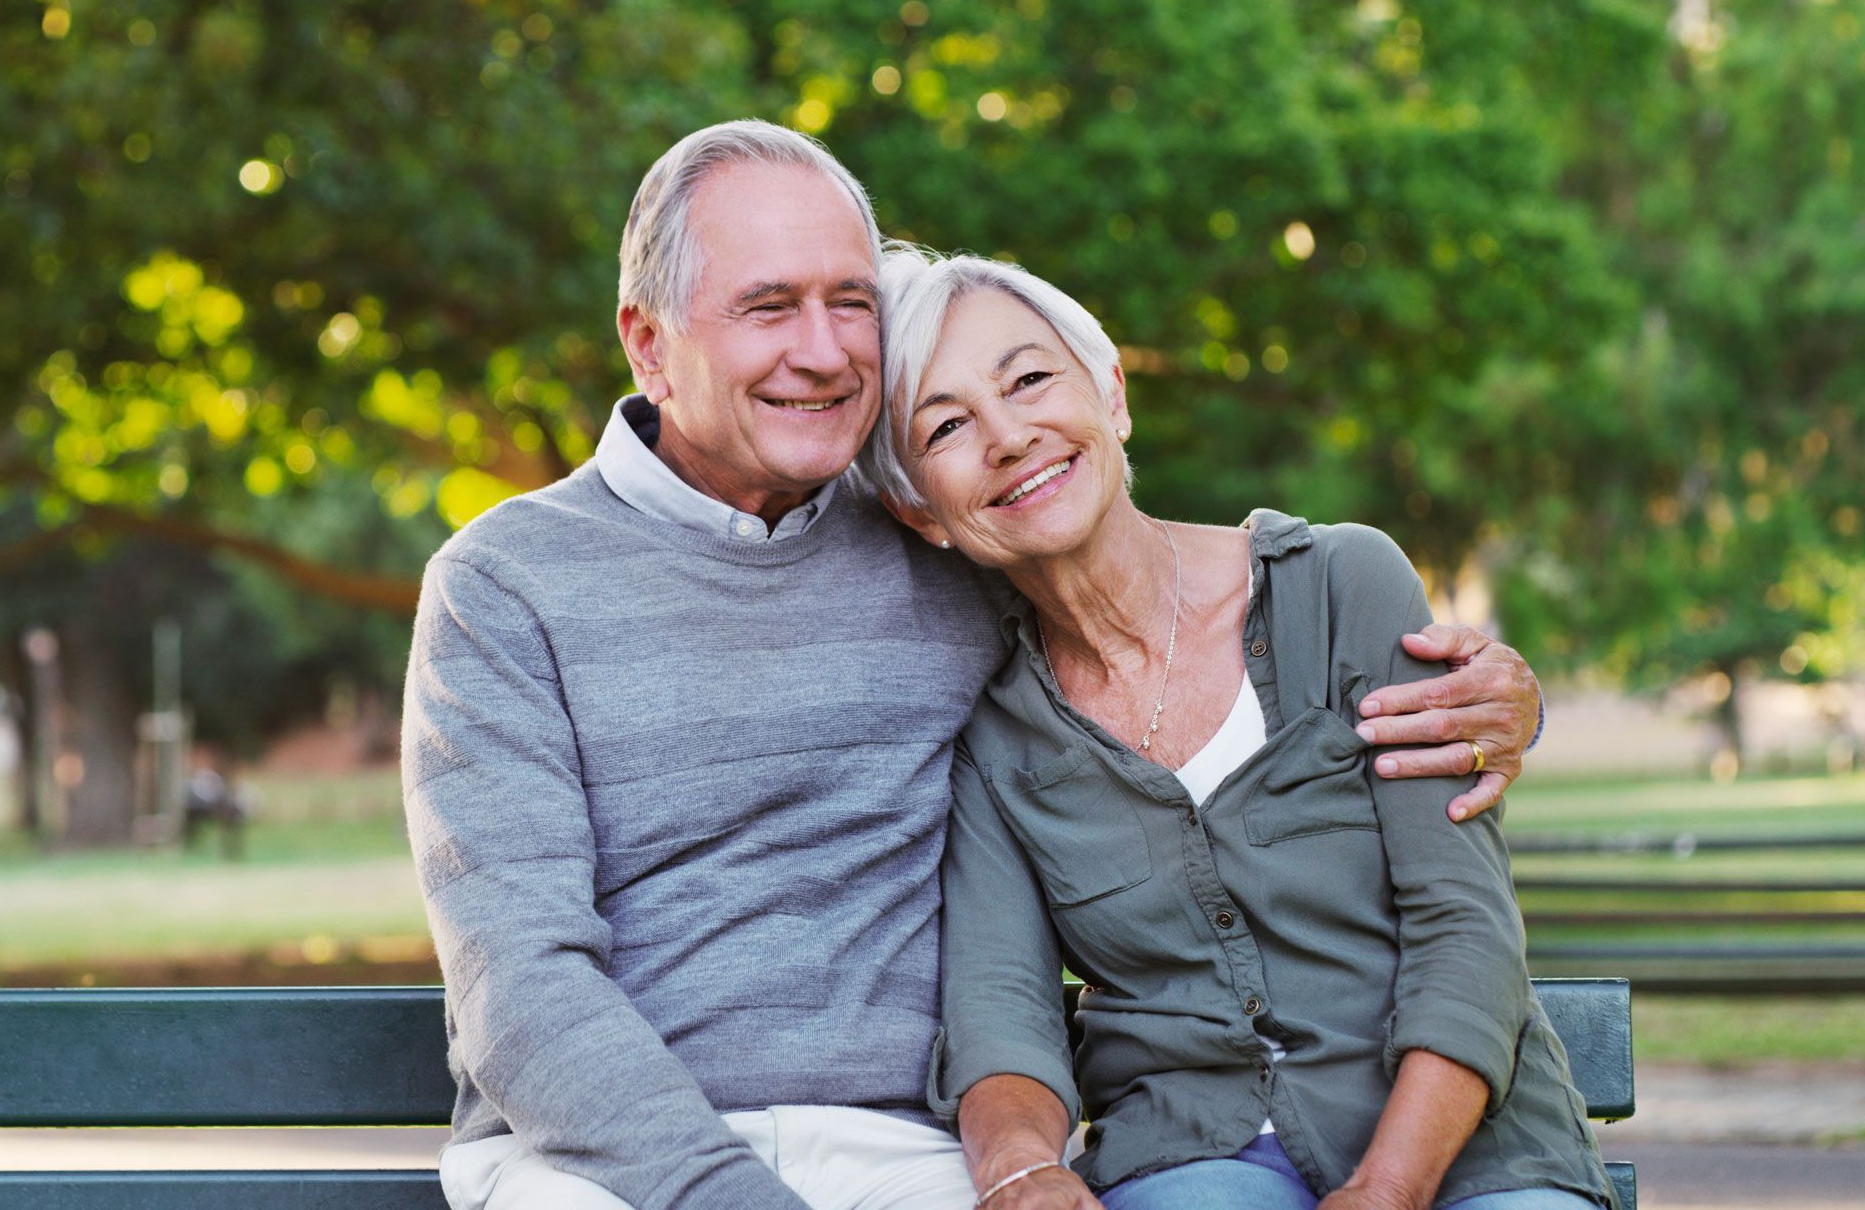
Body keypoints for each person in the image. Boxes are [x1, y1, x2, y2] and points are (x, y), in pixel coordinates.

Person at [401, 120, 1548, 1210]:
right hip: (601, 1166)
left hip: (904, 1151)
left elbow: (1148, 573)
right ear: (650, 343)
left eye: (849, 302)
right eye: (767, 308)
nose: (821, 350)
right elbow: (523, 987)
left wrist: (1498, 695)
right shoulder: (507, 584)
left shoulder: (947, 534)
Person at [859, 246, 1614, 1210]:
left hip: (1471, 1150)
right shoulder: (996, 736)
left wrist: (1388, 1187)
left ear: (1112, 396)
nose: (1008, 436)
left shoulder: (1344, 585)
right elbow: (1002, 1014)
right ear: (919, 509)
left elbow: (1464, 925)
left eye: (1032, 380)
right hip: (1194, 1159)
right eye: (949, 425)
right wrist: (1024, 1169)